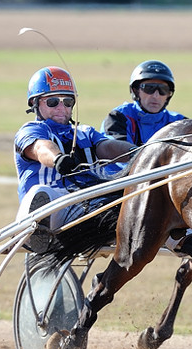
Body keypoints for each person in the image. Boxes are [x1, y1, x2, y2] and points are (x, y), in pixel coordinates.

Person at [101, 60, 192, 273]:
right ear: (136, 91)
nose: (155, 95)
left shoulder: (178, 123)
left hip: (163, 196)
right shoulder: (118, 118)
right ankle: (186, 243)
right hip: (123, 193)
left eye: (162, 90)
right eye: (149, 88)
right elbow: (122, 159)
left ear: (169, 95)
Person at [14, 66, 137, 253]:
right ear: (35, 104)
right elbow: (41, 148)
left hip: (87, 208)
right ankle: (36, 232)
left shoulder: (84, 132)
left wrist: (139, 152)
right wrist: (58, 160)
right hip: (54, 209)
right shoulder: (31, 130)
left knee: (137, 195)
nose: (62, 108)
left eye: (68, 101)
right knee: (41, 192)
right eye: (53, 102)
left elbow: (108, 147)